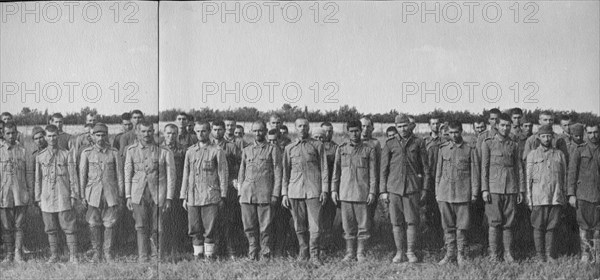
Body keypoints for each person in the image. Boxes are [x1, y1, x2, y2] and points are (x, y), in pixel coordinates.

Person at [380, 114, 429, 263]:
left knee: (412, 221)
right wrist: (383, 191)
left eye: (405, 125)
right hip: (394, 188)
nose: (402, 129)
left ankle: (411, 251)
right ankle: (399, 252)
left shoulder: (418, 142)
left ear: (410, 125)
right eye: (399, 126)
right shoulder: (389, 144)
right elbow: (383, 169)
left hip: (412, 188)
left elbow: (426, 169)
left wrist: (425, 189)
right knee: (396, 222)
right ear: (396, 127)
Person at [124, 121, 176, 262]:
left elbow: (171, 177)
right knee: (140, 226)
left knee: (158, 227)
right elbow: (127, 174)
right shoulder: (131, 150)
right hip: (138, 193)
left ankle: (157, 256)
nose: (146, 134)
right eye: (143, 131)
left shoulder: (164, 151)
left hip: (158, 194)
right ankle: (143, 256)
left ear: (154, 132)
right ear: (137, 132)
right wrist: (128, 196)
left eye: (149, 131)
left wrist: (169, 198)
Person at [282, 118, 328, 265]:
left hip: (314, 191)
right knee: (299, 225)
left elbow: (324, 169)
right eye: (300, 126)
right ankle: (303, 251)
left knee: (315, 226)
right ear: (295, 128)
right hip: (295, 191)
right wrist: (284, 193)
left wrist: (325, 190)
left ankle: (315, 255)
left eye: (305, 126)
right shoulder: (289, 148)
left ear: (309, 128)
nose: (302, 128)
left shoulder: (317, 145)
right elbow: (285, 173)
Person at [181, 121, 228, 260]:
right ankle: (197, 255)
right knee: (194, 228)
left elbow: (223, 174)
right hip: (193, 196)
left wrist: (223, 195)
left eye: (203, 131)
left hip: (210, 195)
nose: (200, 134)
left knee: (210, 228)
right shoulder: (190, 151)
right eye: (198, 131)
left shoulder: (217, 151)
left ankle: (209, 256)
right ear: (194, 132)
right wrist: (184, 196)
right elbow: (186, 174)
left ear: (209, 132)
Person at [481, 113, 525, 263]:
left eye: (508, 125)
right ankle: (494, 255)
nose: (505, 128)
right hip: (494, 188)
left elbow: (519, 168)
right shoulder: (488, 143)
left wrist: (520, 190)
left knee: (509, 223)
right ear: (496, 126)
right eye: (502, 125)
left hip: (511, 188)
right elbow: (484, 168)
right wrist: (484, 189)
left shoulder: (514, 144)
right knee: (494, 222)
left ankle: (508, 254)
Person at [331, 120, 377, 262]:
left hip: (362, 193)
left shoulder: (369, 149)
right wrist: (334, 190)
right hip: (345, 193)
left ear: (361, 131)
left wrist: (372, 192)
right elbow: (336, 172)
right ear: (347, 131)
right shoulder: (342, 148)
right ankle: (350, 253)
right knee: (348, 226)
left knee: (363, 226)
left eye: (357, 130)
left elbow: (373, 174)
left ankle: (361, 253)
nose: (354, 133)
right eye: (351, 131)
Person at [435, 121, 480, 266]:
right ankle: (450, 254)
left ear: (461, 131)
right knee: (447, 226)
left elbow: (475, 172)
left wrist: (474, 193)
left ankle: (461, 255)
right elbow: (438, 172)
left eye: (456, 132)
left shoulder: (469, 149)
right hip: (445, 193)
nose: (454, 135)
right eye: (451, 133)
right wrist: (437, 192)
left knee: (462, 226)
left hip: (462, 193)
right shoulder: (443, 149)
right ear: (447, 133)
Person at [79, 123, 124, 262]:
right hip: (93, 193)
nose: (100, 138)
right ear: (92, 136)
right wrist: (82, 195)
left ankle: (108, 252)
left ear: (107, 136)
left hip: (110, 193)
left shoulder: (114, 153)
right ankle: (97, 252)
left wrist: (121, 195)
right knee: (93, 223)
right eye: (97, 135)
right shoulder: (86, 153)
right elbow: (82, 176)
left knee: (110, 223)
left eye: (103, 135)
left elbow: (120, 176)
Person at [35, 125, 80, 263]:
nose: (52, 138)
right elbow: (38, 179)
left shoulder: (66, 154)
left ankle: (73, 256)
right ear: (45, 137)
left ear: (58, 136)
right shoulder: (40, 156)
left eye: (54, 135)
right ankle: (54, 255)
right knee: (50, 228)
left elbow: (73, 177)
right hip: (47, 197)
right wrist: (38, 198)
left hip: (63, 196)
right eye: (49, 136)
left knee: (69, 227)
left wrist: (73, 195)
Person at [237, 121, 282, 260]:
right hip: (247, 195)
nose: (258, 133)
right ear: (251, 132)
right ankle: (252, 253)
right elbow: (241, 173)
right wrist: (240, 193)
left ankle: (265, 253)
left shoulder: (273, 149)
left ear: (266, 131)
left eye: (261, 130)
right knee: (249, 226)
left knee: (265, 226)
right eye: (255, 131)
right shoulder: (246, 150)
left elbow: (278, 173)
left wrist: (275, 194)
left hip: (265, 194)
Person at [525, 124, 567, 262]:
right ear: (538, 137)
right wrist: (529, 199)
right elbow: (528, 178)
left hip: (555, 196)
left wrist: (563, 196)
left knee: (552, 227)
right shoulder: (532, 154)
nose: (546, 139)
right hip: (538, 197)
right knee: (538, 226)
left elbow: (564, 177)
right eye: (543, 136)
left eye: (549, 136)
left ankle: (549, 254)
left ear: (553, 136)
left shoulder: (560, 155)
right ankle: (540, 255)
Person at [568, 123, 600, 263]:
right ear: (586, 133)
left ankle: (597, 253)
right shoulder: (579, 150)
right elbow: (572, 173)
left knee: (598, 227)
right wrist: (571, 194)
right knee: (584, 226)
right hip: (583, 195)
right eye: (590, 133)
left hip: (598, 195)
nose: (594, 135)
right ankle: (585, 254)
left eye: (596, 132)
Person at [212, 120, 243, 259]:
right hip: (212, 188)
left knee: (229, 221)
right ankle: (217, 251)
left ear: (224, 131)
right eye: (215, 129)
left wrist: (235, 180)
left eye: (220, 129)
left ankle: (231, 251)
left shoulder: (231, 147)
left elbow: (240, 165)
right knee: (214, 221)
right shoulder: (208, 146)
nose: (217, 132)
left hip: (228, 188)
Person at [0, 122, 30, 263]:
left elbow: (28, 174)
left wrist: (29, 192)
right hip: (4, 195)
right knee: (6, 227)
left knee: (19, 225)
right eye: (8, 133)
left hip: (20, 194)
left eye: (13, 133)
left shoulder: (23, 151)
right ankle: (8, 254)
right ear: (3, 134)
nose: (11, 136)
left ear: (17, 133)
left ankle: (18, 254)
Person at [161, 124, 188, 256]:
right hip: (161, 190)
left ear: (177, 135)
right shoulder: (158, 149)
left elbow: (186, 170)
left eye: (173, 134)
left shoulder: (182, 150)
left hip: (177, 189)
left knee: (177, 220)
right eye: (168, 133)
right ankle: (163, 249)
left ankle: (176, 249)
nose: (170, 136)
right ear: (163, 133)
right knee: (163, 221)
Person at [422, 115, 445, 250]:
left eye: (437, 124)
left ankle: (441, 241)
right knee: (428, 211)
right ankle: (430, 241)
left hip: (442, 180)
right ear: (429, 126)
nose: (435, 126)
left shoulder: (445, 141)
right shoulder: (425, 142)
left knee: (440, 211)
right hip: (429, 181)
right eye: (433, 124)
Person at [318, 122, 339, 256]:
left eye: (330, 131)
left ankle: (326, 246)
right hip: (316, 186)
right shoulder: (314, 146)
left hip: (330, 186)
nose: (327, 134)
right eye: (325, 131)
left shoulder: (336, 148)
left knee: (329, 218)